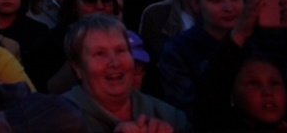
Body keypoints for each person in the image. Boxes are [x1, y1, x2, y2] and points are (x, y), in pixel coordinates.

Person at [63, 15, 191, 132]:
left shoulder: (169, 116)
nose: (115, 63)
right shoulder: (56, 119)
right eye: (99, 53)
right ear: (77, 68)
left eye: (120, 50)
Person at [157, 0, 252, 120]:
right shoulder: (178, 51)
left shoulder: (254, 43)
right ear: (195, 4)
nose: (229, 7)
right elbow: (190, 112)